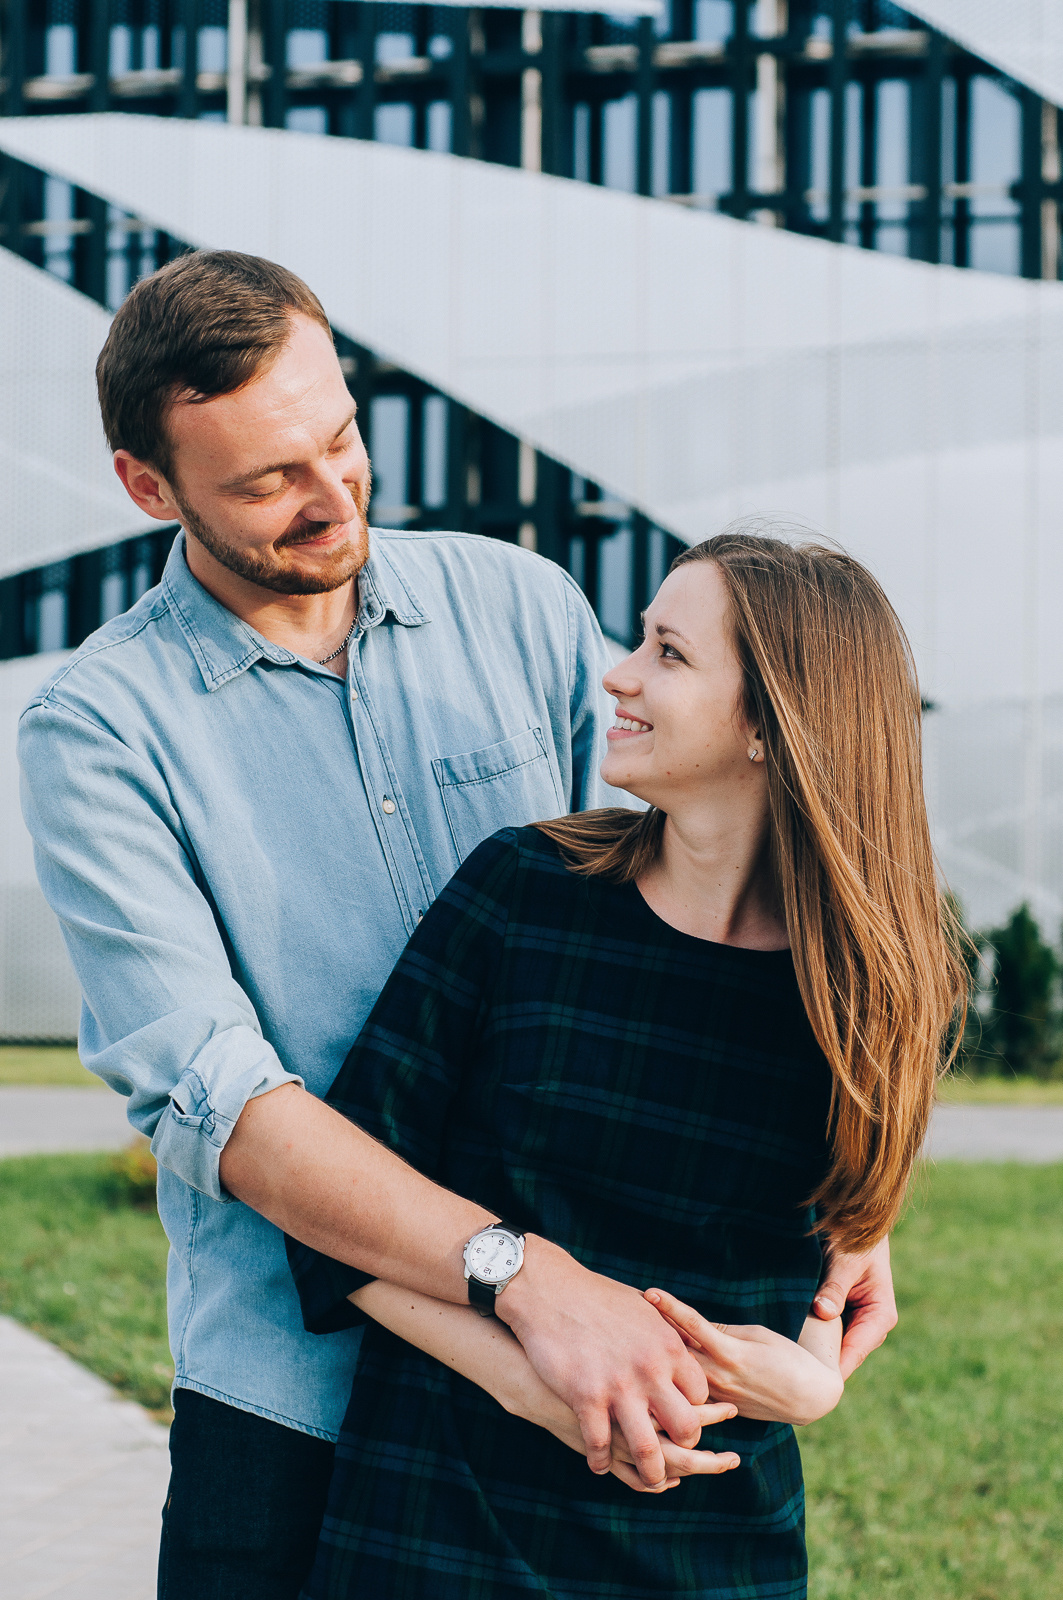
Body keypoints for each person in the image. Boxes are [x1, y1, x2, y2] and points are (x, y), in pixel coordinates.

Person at [17, 249, 896, 1597]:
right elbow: (223, 1107)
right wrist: (527, 1282)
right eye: (265, 482)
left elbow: (698, 860)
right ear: (151, 489)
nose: (331, 497)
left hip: (581, 1388)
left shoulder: (521, 608)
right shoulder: (100, 731)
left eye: (341, 439)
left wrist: (851, 1182)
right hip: (292, 1394)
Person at [285, 531, 967, 1598]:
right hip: (435, 1528)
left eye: (668, 652)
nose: (620, 672)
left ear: (767, 724)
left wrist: (810, 1386)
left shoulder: (873, 990)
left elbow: (826, 1296)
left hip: (716, 1551)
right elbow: (333, 1216)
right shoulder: (520, 894)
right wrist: (530, 1379)